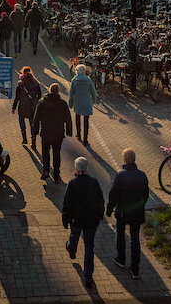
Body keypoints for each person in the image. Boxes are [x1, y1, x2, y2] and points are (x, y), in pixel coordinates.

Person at [62, 156, 104, 288]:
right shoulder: (94, 182)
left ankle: (71, 248)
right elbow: (100, 200)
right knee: (89, 246)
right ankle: (88, 277)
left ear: (76, 168)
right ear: (87, 168)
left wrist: (65, 218)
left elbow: (67, 203)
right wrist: (100, 215)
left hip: (77, 219)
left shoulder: (73, 183)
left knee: (74, 234)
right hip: (91, 220)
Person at [106, 148, 149, 279]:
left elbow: (114, 195)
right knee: (135, 239)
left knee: (120, 233)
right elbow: (146, 194)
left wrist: (109, 208)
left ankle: (121, 258)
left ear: (125, 160)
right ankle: (135, 268)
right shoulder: (142, 175)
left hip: (123, 212)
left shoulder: (121, 175)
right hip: (137, 212)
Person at [33, 83, 72, 183]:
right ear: (58, 91)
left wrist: (35, 131)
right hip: (58, 133)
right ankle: (56, 174)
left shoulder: (42, 102)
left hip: (45, 132)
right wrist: (69, 131)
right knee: (56, 153)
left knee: (45, 152)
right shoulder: (62, 103)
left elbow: (36, 118)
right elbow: (67, 118)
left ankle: (46, 170)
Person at [11, 67, 43, 147]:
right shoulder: (35, 82)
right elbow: (39, 95)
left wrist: (14, 107)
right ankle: (33, 141)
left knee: (21, 120)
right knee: (32, 123)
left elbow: (17, 97)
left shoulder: (21, 83)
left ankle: (24, 138)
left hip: (23, 106)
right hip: (32, 107)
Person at [68, 65, 98, 146]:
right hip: (86, 102)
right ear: (84, 71)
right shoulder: (88, 80)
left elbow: (71, 94)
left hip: (77, 102)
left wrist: (70, 104)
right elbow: (94, 92)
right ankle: (85, 139)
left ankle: (78, 134)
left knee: (77, 118)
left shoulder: (74, 80)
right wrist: (94, 101)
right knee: (86, 121)